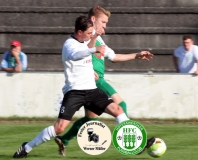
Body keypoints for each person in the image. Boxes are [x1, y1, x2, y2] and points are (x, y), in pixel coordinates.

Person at [13, 16, 132, 159]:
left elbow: (88, 48)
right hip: (75, 92)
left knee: (118, 109)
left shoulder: (86, 40)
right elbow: (76, 55)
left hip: (92, 90)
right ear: (80, 32)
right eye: (88, 33)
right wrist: (94, 48)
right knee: (59, 128)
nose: (90, 36)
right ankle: (26, 147)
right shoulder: (69, 44)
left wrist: (95, 38)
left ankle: (131, 145)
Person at [54, 6, 154, 156]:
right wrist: (90, 71)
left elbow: (113, 57)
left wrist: (136, 55)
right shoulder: (83, 40)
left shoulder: (97, 38)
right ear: (93, 20)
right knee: (121, 105)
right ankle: (133, 143)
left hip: (90, 86)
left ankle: (64, 139)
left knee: (89, 119)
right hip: (95, 82)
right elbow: (78, 55)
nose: (105, 25)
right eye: (104, 22)